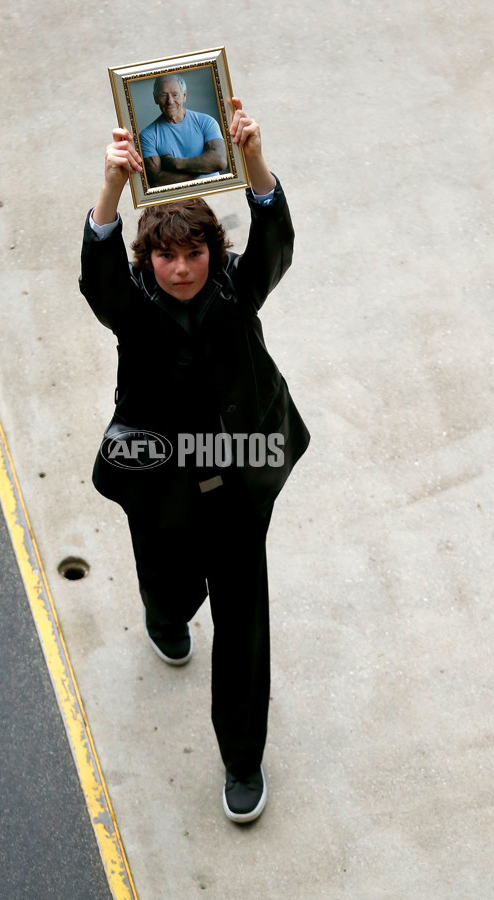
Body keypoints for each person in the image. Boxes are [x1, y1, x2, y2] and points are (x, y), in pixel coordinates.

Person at [79, 98, 310, 823]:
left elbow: (275, 236)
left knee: (242, 621)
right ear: (148, 260)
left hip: (239, 475)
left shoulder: (238, 291)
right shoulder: (134, 304)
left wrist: (252, 160)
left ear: (215, 251)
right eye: (166, 255)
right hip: (162, 482)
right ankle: (165, 611)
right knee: (171, 589)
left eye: (195, 253)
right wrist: (114, 183)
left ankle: (243, 759)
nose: (181, 268)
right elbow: (98, 273)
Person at [139, 74, 227, 187]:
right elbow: (157, 182)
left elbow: (219, 161)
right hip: (176, 202)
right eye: (163, 95)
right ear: (155, 98)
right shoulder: (147, 136)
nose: (170, 101)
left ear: (184, 96)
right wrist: (204, 169)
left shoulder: (206, 121)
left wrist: (174, 163)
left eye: (175, 95)